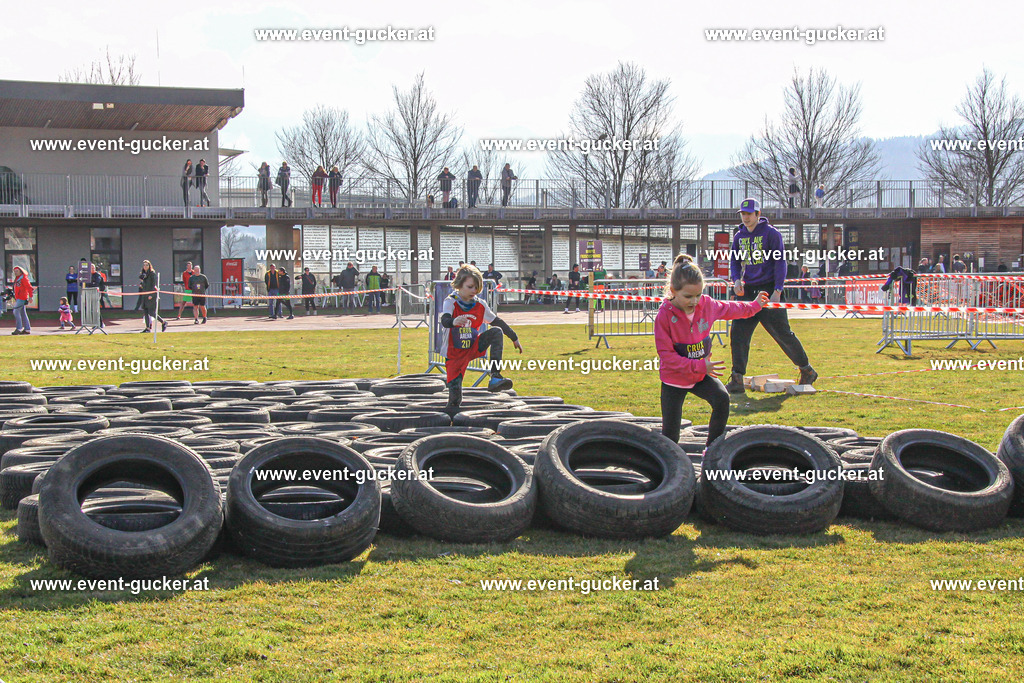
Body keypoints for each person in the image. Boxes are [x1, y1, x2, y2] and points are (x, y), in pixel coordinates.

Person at [657, 254, 768, 446]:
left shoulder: (707, 304)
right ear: (673, 291)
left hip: (699, 375)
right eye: (688, 296)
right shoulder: (664, 315)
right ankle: (667, 460)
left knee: (722, 399)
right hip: (674, 379)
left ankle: (712, 449)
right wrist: (700, 366)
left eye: (698, 295)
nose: (694, 301)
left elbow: (732, 308)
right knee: (670, 436)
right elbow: (667, 357)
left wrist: (755, 306)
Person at [727, 198, 817, 392]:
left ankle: (807, 369)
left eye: (749, 214)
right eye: (743, 214)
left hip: (768, 289)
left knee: (782, 333)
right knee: (738, 333)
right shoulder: (739, 236)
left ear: (758, 214)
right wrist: (736, 280)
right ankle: (737, 378)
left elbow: (780, 262)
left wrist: (777, 290)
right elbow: (734, 261)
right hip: (748, 291)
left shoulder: (771, 234)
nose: (745, 218)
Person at [440, 265, 523, 418]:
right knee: (455, 400)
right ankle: (450, 424)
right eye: (470, 287)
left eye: (477, 288)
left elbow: (497, 321)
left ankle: (495, 376)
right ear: (459, 285)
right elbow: (444, 320)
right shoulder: (450, 301)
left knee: (496, 332)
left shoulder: (480, 304)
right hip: (454, 354)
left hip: (473, 347)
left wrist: (514, 337)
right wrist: (453, 321)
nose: (474, 291)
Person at [139, 260, 167, 333]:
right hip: (145, 294)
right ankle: (148, 328)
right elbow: (143, 284)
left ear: (149, 266)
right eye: (144, 265)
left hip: (151, 294)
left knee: (151, 312)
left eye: (147, 265)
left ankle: (163, 322)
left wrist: (151, 294)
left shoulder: (152, 274)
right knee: (145, 311)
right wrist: (141, 283)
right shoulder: (143, 274)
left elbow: (153, 285)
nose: (145, 266)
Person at [10, 266, 33, 335]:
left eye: (17, 271)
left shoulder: (23, 278)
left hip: (22, 298)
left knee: (16, 311)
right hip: (18, 298)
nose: (15, 272)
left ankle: (19, 328)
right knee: (23, 313)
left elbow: (29, 287)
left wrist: (31, 297)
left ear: (21, 271)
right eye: (15, 271)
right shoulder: (17, 278)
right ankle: (27, 329)